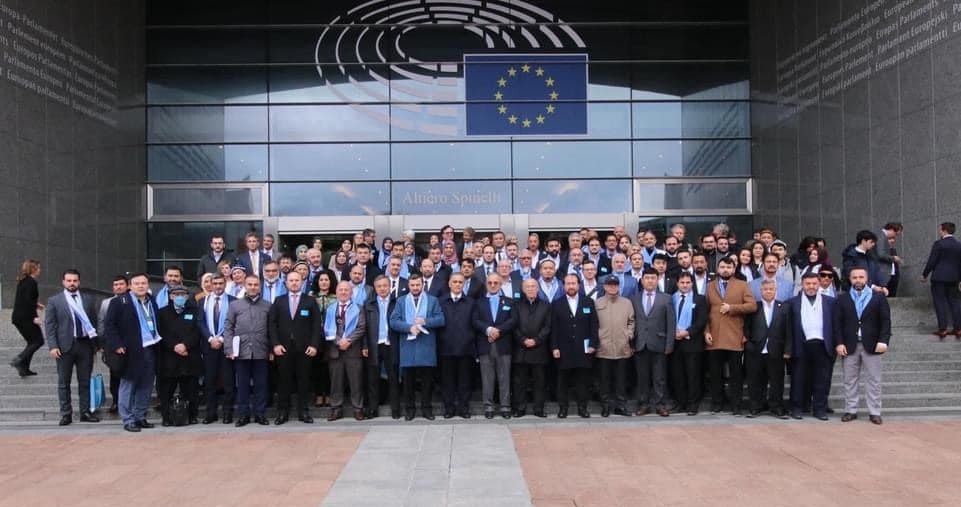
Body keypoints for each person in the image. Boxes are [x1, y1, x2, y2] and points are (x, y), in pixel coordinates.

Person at [104, 273, 162, 432]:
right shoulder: (119, 302)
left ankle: (140, 416)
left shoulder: (152, 301)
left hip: (150, 347)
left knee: (146, 384)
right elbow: (109, 325)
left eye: (144, 283)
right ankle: (128, 419)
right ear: (130, 286)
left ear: (148, 285)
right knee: (128, 384)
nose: (141, 286)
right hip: (130, 349)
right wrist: (117, 344)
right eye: (137, 283)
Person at [836, 266, 892, 425]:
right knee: (849, 379)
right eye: (854, 277)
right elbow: (837, 323)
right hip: (849, 344)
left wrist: (883, 341)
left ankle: (875, 412)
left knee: (874, 380)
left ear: (867, 279)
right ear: (850, 279)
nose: (858, 280)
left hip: (872, 345)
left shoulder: (878, 297)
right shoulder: (843, 299)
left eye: (861, 277)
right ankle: (851, 410)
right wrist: (839, 343)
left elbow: (885, 321)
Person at [44, 269, 100, 426]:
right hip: (64, 346)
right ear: (63, 282)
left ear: (79, 282)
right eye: (69, 281)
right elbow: (50, 325)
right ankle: (66, 414)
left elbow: (94, 322)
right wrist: (53, 346)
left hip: (85, 345)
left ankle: (85, 412)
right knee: (64, 382)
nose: (72, 283)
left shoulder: (88, 299)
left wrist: (96, 344)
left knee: (85, 381)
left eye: (75, 280)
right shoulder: (55, 301)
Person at [268, 270, 321, 424]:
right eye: (291, 280)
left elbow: (316, 325)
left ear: (302, 282)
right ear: (286, 283)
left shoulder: (310, 301)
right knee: (283, 381)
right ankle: (282, 412)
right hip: (283, 348)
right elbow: (272, 325)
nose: (294, 283)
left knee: (304, 380)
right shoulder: (279, 301)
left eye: (297, 280)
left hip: (305, 348)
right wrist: (275, 344)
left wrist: (314, 345)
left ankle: (303, 411)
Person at [704, 257, 756, 415]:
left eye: (728, 267)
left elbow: (752, 306)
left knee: (736, 374)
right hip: (714, 336)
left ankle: (736, 405)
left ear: (733, 269)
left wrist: (732, 308)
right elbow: (705, 311)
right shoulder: (710, 286)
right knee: (715, 374)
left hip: (735, 335)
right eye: (722, 267)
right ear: (717, 269)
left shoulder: (742, 285)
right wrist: (706, 331)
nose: (725, 269)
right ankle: (717, 403)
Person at [390, 273, 446, 420]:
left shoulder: (433, 300)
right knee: (408, 382)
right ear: (408, 285)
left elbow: (441, 319)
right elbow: (394, 321)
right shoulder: (401, 301)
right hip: (408, 346)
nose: (415, 288)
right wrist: (409, 327)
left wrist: (425, 321)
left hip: (426, 345)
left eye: (418, 285)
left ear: (423, 285)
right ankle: (410, 410)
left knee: (427, 382)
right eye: (412, 285)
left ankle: (427, 409)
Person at [786, 272, 839, 421]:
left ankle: (820, 409)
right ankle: (797, 408)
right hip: (801, 345)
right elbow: (788, 328)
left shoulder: (831, 302)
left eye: (814, 283)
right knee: (798, 378)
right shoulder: (792, 303)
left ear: (819, 284)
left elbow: (836, 325)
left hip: (823, 345)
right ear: (802, 285)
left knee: (822, 379)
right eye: (808, 283)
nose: (811, 286)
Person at [223, 275, 272, 426]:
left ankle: (260, 414)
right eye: (250, 284)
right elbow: (228, 327)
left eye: (256, 285)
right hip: (241, 351)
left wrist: (271, 349)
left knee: (261, 385)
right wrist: (229, 349)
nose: (253, 287)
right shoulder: (235, 305)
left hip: (261, 350)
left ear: (260, 287)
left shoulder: (268, 306)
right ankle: (243, 415)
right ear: (245, 285)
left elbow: (272, 329)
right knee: (242, 385)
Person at [550, 274, 598, 418]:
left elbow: (594, 325)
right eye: (568, 283)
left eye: (573, 283)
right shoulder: (557, 304)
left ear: (579, 285)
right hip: (563, 349)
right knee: (562, 381)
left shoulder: (588, 302)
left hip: (583, 349)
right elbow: (554, 328)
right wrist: (554, 347)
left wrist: (593, 344)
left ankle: (582, 408)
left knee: (582, 381)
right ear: (564, 286)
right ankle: (563, 408)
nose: (571, 286)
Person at [632, 268, 676, 417]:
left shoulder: (666, 298)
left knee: (659, 377)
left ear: (657, 280)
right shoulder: (634, 298)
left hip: (659, 343)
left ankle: (660, 404)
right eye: (647, 278)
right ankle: (643, 404)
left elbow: (671, 323)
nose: (650, 281)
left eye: (653, 278)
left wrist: (669, 344)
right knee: (642, 377)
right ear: (642, 280)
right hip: (640, 343)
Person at [156, 285, 202, 426]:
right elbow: (161, 333)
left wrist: (185, 345)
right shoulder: (162, 313)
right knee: (166, 391)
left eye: (183, 294)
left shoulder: (195, 311)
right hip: (169, 357)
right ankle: (166, 418)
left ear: (187, 297)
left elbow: (197, 331)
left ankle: (192, 416)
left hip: (189, 356)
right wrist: (175, 346)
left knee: (191, 390)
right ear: (171, 296)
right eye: (176, 294)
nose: (180, 297)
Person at [473, 273, 517, 419]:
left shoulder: (509, 302)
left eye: (495, 283)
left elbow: (513, 320)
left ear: (500, 284)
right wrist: (489, 330)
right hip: (485, 344)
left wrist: (498, 331)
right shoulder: (479, 302)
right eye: (490, 283)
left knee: (505, 378)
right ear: (486, 284)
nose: (492, 285)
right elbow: (475, 320)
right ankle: (489, 407)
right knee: (487, 378)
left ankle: (505, 406)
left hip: (503, 345)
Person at [744, 279, 790, 419]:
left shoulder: (784, 307)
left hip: (776, 350)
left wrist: (788, 350)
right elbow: (746, 327)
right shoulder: (754, 307)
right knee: (755, 380)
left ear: (776, 290)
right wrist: (748, 344)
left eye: (771, 289)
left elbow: (789, 330)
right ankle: (756, 406)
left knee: (776, 381)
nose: (768, 291)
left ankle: (776, 407)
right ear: (761, 291)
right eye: (765, 289)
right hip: (756, 350)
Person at [324, 280, 367, 421]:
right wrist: (338, 341)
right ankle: (336, 409)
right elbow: (326, 328)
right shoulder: (331, 308)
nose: (343, 292)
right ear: (336, 292)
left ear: (351, 292)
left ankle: (358, 408)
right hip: (335, 351)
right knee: (336, 382)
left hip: (353, 350)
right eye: (340, 290)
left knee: (356, 381)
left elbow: (361, 327)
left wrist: (348, 340)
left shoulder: (359, 308)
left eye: (346, 290)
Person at [197, 273, 236, 424]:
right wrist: (210, 338)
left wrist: (221, 339)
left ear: (225, 284)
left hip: (227, 345)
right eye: (215, 283)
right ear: (210, 285)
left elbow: (235, 323)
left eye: (221, 283)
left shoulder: (233, 301)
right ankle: (210, 413)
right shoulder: (203, 301)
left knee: (228, 381)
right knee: (210, 381)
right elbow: (200, 322)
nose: (218, 286)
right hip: (209, 346)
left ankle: (227, 413)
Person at [595, 275, 635, 417]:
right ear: (605, 286)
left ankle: (620, 406)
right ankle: (605, 406)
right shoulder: (597, 303)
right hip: (603, 347)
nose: (612, 287)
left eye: (615, 285)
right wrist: (598, 338)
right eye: (610, 285)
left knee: (621, 380)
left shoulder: (627, 303)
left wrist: (628, 335)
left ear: (619, 286)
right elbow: (594, 323)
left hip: (622, 347)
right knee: (604, 380)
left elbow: (631, 321)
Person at [668, 272, 708, 415]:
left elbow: (701, 321)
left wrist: (687, 332)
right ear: (677, 284)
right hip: (675, 342)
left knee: (693, 376)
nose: (685, 285)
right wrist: (674, 332)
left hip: (692, 342)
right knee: (677, 376)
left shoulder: (700, 299)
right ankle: (680, 403)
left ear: (692, 284)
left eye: (688, 282)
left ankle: (692, 405)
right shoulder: (671, 298)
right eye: (682, 282)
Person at [511, 278, 551, 418]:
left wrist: (536, 340)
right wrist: (523, 340)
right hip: (520, 349)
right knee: (519, 382)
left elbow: (547, 326)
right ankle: (520, 408)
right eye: (528, 286)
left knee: (539, 382)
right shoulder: (516, 305)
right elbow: (513, 326)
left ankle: (538, 408)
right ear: (523, 289)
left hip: (539, 349)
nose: (531, 288)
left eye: (533, 286)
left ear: (538, 288)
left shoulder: (546, 306)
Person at [438, 273, 476, 419]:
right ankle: (449, 408)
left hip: (465, 348)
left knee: (465, 381)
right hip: (445, 348)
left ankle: (463, 408)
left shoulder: (471, 302)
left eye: (460, 282)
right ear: (449, 284)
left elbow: (474, 324)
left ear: (464, 284)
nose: (457, 284)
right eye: (455, 282)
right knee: (447, 381)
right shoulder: (441, 301)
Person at [365, 276, 401, 419]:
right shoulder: (369, 304)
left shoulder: (397, 302)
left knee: (393, 378)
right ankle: (373, 409)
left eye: (385, 285)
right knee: (372, 379)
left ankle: (395, 409)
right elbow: (364, 327)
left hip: (391, 344)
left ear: (390, 286)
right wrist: (365, 345)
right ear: (375, 288)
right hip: (374, 345)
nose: (382, 288)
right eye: (379, 286)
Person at [921, 222, 961, 338]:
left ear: (944, 230)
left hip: (939, 277)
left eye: (940, 230)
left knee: (940, 302)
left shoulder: (939, 244)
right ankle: (958, 329)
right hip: (954, 278)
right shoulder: (959, 245)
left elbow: (932, 261)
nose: (939, 232)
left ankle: (942, 329)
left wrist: (924, 274)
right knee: (955, 302)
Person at [98, 275, 129, 413]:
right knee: (115, 373)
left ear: (127, 286)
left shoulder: (133, 300)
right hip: (112, 344)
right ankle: (116, 401)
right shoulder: (106, 303)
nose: (118, 287)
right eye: (116, 285)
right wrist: (102, 342)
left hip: (131, 343)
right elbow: (102, 322)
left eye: (121, 284)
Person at [10, 259, 43, 377]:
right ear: (33, 269)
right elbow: (28, 301)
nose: (40, 270)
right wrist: (34, 317)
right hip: (26, 318)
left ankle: (24, 369)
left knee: (32, 342)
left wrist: (36, 304)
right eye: (39, 268)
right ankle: (19, 359)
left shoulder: (23, 281)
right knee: (38, 341)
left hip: (18, 317)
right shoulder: (31, 282)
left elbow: (24, 299)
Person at [313, 272, 336, 407]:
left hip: (331, 338)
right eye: (321, 280)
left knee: (329, 367)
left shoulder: (336, 298)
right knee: (316, 367)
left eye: (326, 279)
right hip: (315, 337)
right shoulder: (311, 297)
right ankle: (318, 394)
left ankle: (328, 394)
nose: (324, 282)